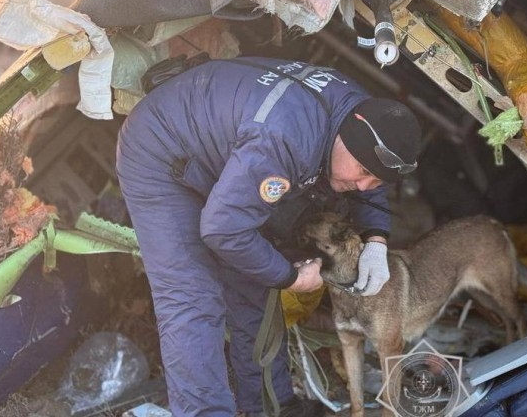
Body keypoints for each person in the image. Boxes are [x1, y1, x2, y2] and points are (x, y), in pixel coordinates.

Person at [116, 57, 422, 417]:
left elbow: (369, 181)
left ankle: (273, 407)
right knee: (191, 297)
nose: (364, 186)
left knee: (251, 281)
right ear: (347, 138)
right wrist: (290, 276)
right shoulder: (285, 140)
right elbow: (224, 229)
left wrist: (376, 239)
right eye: (363, 172)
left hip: (222, 147)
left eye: (378, 180)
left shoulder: (361, 115)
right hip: (161, 151)